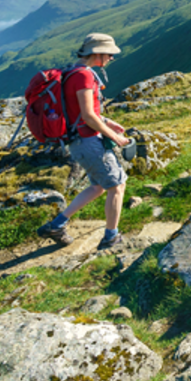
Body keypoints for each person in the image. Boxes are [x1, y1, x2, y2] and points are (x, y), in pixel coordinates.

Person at [36, 33, 131, 250]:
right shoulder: (85, 77)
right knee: (117, 186)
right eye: (109, 54)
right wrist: (114, 136)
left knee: (98, 186)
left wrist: (109, 122)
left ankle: (57, 225)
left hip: (78, 141)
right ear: (97, 53)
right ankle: (111, 238)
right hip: (88, 141)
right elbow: (88, 115)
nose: (111, 58)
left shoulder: (71, 72)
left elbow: (79, 111)